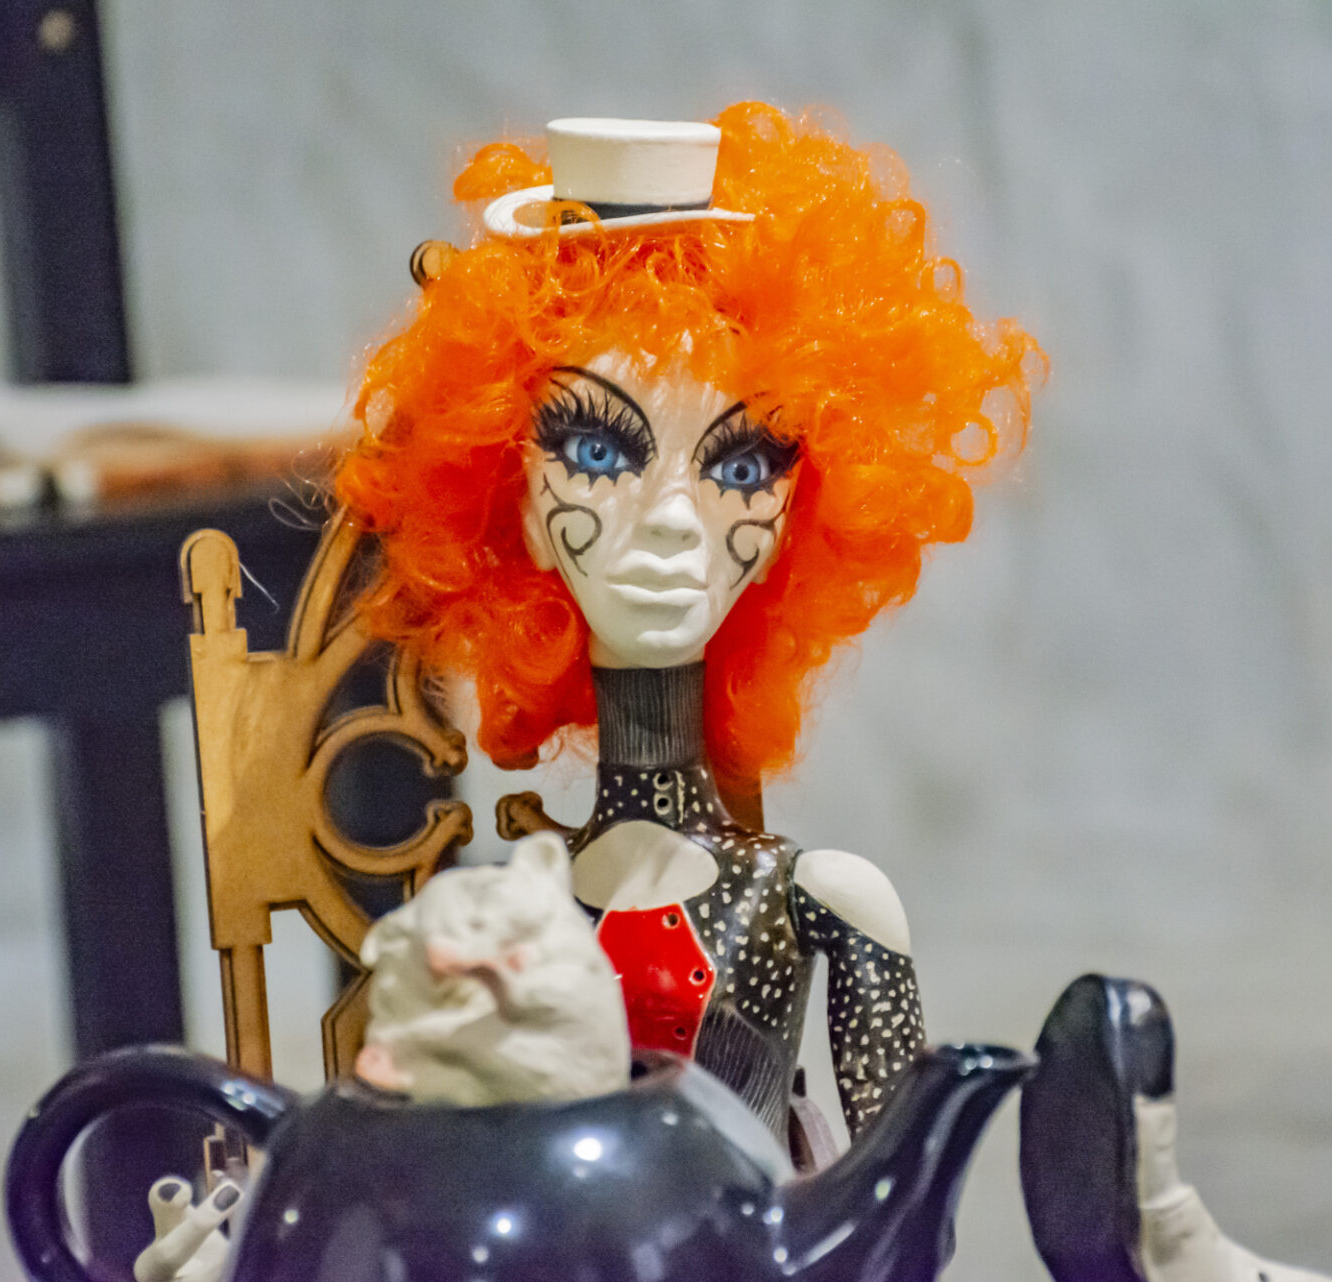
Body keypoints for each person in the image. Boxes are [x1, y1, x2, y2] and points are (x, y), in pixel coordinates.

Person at [336, 105, 1040, 1141]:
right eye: (599, 453)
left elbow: (895, 1205)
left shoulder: (822, 902)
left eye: (741, 465)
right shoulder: (507, 924)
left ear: (799, 515)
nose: (671, 520)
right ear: (512, 504)